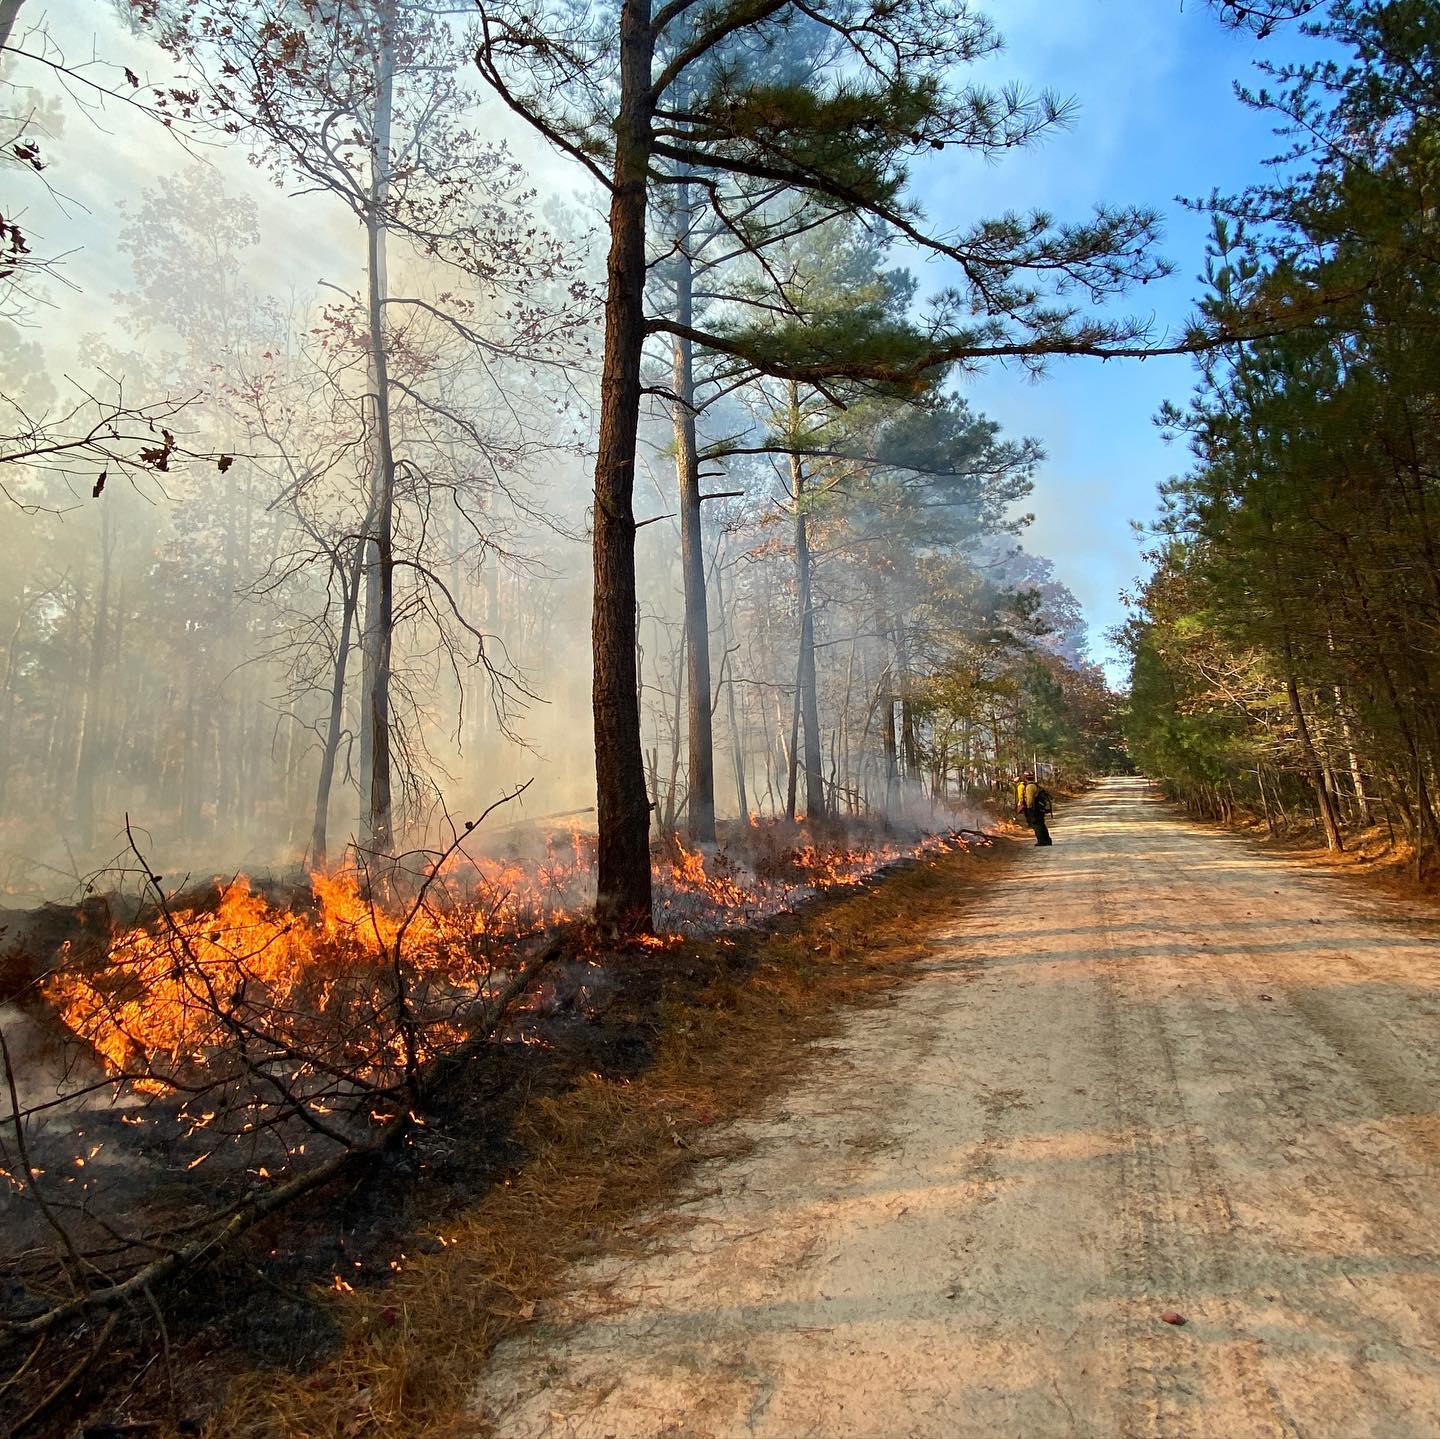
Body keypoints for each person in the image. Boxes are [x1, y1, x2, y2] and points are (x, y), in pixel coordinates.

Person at [1015, 770, 1053, 846]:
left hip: (1035, 809)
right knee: (1041, 824)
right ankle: (1047, 840)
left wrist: (1029, 809)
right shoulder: (1035, 785)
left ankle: (1041, 841)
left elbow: (1029, 800)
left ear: (1025, 778)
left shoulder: (1030, 787)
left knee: (1036, 825)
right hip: (1039, 808)